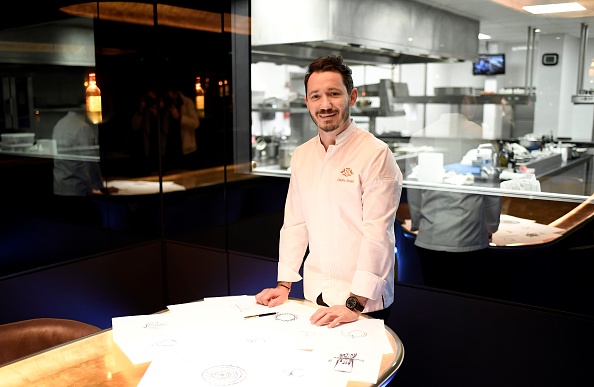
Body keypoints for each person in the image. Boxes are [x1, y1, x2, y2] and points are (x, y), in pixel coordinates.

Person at [255, 55, 403, 328]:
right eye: (316, 96)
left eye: (334, 93)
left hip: (363, 304)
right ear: (307, 101)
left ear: (352, 96)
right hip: (316, 295)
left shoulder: (376, 154)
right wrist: (284, 284)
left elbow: (378, 235)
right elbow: (295, 224)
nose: (325, 105)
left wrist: (353, 304)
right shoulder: (302, 155)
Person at [52, 111, 115, 225]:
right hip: (77, 191)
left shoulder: (59, 124)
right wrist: (99, 186)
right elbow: (90, 160)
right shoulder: (82, 128)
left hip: (59, 189)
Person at [131, 84, 200, 174]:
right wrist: (152, 113)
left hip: (186, 151)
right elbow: (137, 126)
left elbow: (196, 123)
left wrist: (179, 117)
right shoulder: (158, 105)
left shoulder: (186, 102)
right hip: (162, 153)